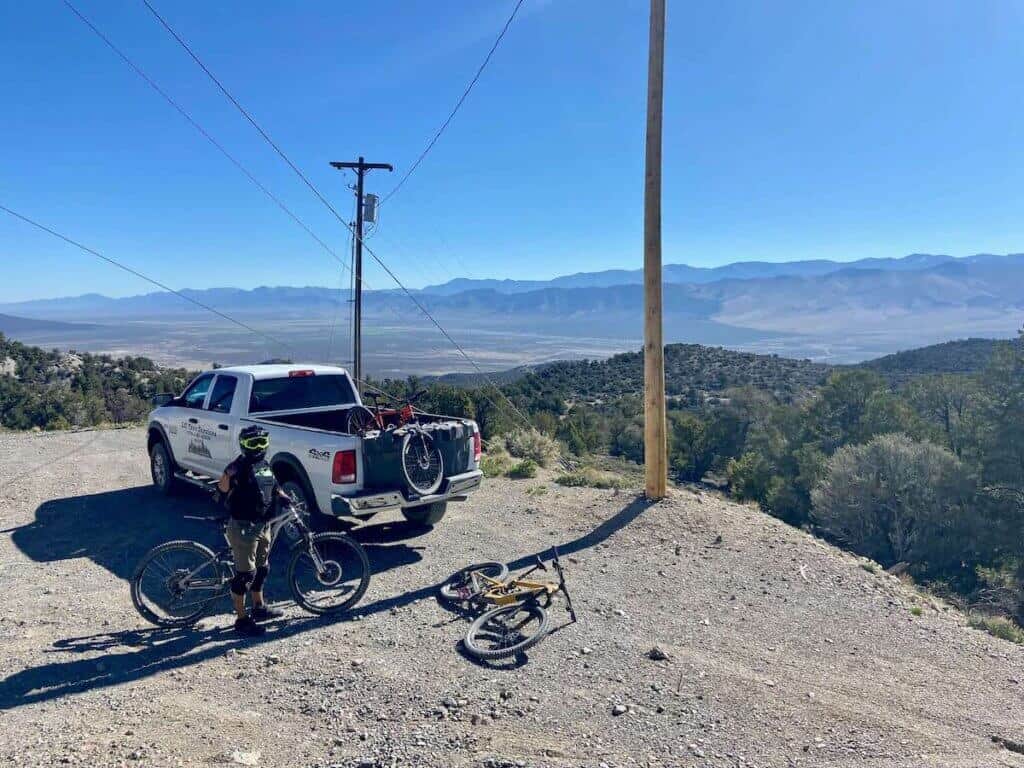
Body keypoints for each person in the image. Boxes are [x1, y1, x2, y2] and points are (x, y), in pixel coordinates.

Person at [217, 425, 289, 636]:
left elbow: (273, 485)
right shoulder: (237, 467)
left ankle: (259, 607)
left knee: (262, 568)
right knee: (245, 575)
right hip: (243, 528)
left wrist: (282, 495)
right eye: (252, 443)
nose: (258, 447)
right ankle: (241, 619)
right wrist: (227, 475)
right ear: (243, 445)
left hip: (262, 525)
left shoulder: (264, 464)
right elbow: (221, 490)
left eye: (261, 443)